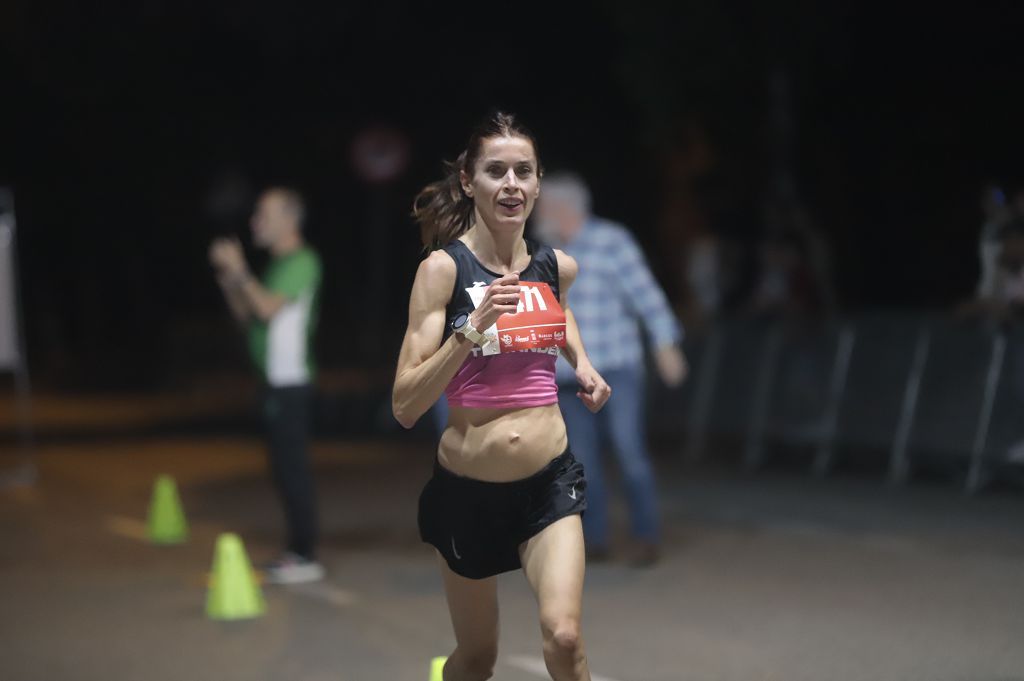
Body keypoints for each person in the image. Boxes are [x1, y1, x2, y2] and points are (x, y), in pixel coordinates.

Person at [392, 112, 610, 681]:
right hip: (468, 495)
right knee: (477, 660)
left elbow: (557, 317)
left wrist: (582, 365)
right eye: (496, 171)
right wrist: (469, 331)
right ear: (470, 181)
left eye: (523, 172)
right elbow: (405, 404)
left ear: (538, 185)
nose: (511, 184)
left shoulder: (553, 266)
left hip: (548, 485)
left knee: (564, 638)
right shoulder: (443, 271)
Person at [534, 173, 686, 566]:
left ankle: (646, 535)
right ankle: (595, 538)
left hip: (617, 369)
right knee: (580, 461)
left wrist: (665, 343)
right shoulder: (544, 251)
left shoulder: (611, 241)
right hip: (568, 377)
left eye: (543, 206)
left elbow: (646, 295)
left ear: (564, 208)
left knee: (628, 448)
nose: (536, 215)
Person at [209, 187, 325, 584]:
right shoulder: (276, 266)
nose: (255, 222)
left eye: (263, 215)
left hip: (290, 382)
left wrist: (240, 269)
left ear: (289, 220)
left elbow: (265, 307)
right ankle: (297, 551)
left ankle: (304, 554)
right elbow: (246, 315)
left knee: (292, 470)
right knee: (281, 469)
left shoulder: (302, 260)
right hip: (272, 382)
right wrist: (230, 278)